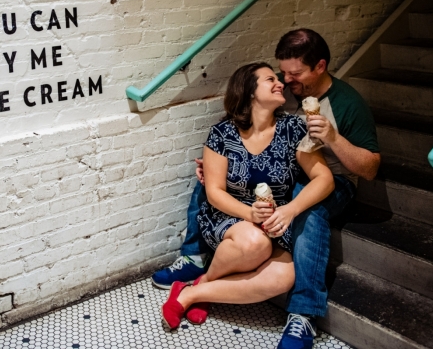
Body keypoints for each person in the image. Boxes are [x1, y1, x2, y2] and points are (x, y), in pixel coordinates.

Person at [153, 29, 380, 349]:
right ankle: (192, 256)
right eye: (279, 74)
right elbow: (220, 177)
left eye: (293, 74)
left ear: (319, 67)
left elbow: (360, 171)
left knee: (302, 222)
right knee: (209, 182)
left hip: (331, 179)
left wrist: (330, 139)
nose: (284, 81)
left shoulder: (336, 108)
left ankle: (209, 291)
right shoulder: (243, 116)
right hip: (248, 203)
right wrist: (222, 171)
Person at [161, 62, 335, 330]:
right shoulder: (223, 134)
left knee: (283, 279)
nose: (281, 83)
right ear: (250, 91)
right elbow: (214, 191)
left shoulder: (293, 129)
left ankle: (196, 289)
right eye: (270, 80)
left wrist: (290, 210)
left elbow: (324, 179)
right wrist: (249, 214)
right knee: (256, 243)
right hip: (229, 215)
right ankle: (200, 288)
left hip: (276, 221)